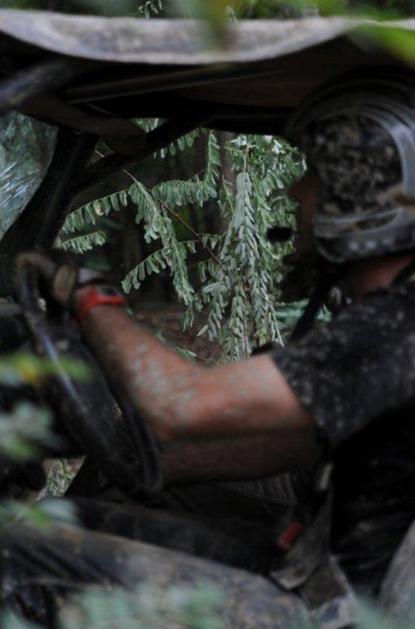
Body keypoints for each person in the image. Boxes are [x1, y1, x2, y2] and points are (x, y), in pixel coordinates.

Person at [6, 72, 415, 625]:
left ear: (363, 198)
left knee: (16, 555)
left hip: (321, 610)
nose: (294, 193)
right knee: (65, 520)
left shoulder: (396, 328)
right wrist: (151, 464)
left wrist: (87, 295)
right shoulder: (391, 319)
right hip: (313, 572)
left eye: (314, 177)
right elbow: (304, 442)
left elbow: (177, 403)